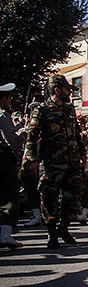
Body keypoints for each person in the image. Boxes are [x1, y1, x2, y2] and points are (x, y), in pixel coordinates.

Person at [23, 75, 85, 249]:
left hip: (71, 163)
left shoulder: (69, 109)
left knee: (73, 196)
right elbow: (31, 137)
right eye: (67, 90)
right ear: (57, 90)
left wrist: (82, 153)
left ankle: (64, 228)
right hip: (51, 163)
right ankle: (52, 233)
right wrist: (32, 160)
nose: (69, 94)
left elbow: (76, 134)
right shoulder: (42, 110)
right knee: (49, 197)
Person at [0, 83, 24, 248]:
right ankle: (6, 234)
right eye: (9, 98)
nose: (10, 102)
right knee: (10, 194)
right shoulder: (2, 115)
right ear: (3, 99)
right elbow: (11, 141)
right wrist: (22, 132)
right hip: (2, 159)